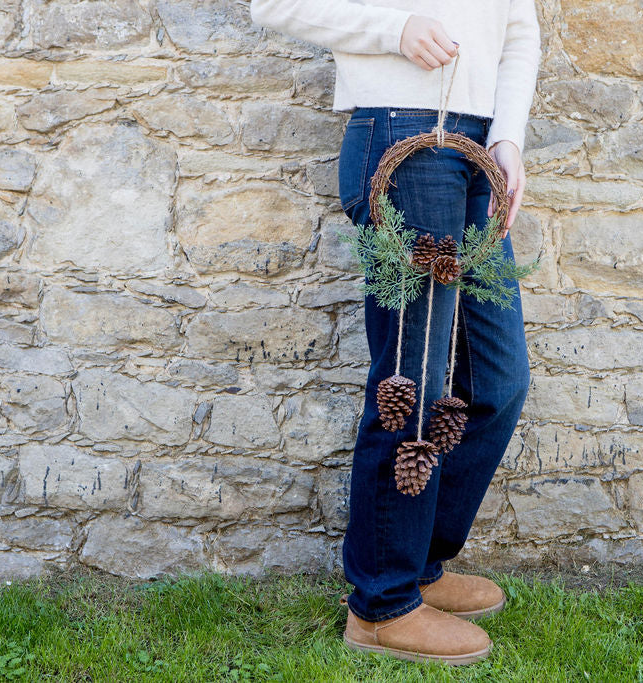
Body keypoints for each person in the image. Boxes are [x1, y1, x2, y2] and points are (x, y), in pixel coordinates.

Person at [250, 0, 540, 666]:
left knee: (499, 378)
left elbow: (521, 30)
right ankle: (381, 604)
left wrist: (509, 137)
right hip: (401, 143)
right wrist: (395, 29)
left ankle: (419, 562)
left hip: (475, 152)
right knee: (410, 378)